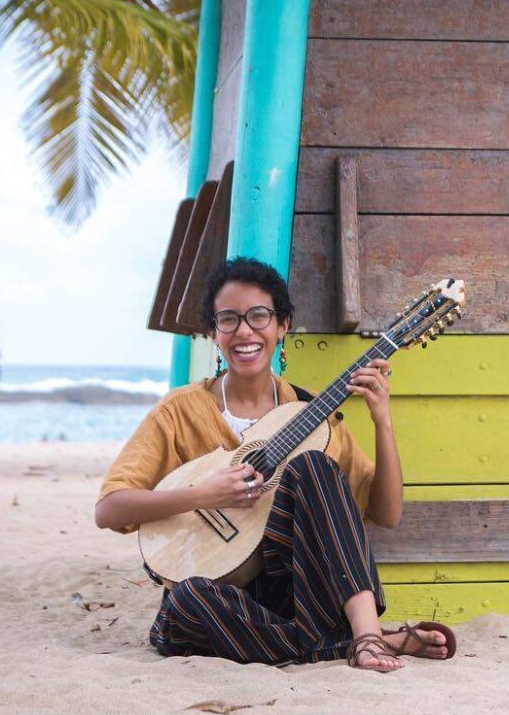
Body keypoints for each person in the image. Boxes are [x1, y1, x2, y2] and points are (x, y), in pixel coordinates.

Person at [94, 257, 455, 672]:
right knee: (185, 604)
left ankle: (366, 636)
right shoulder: (179, 411)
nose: (244, 331)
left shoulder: (313, 413)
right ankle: (358, 642)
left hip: (299, 594)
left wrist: (382, 420)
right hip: (224, 598)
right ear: (213, 333)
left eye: (259, 316)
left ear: (282, 325)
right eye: (228, 319)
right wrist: (203, 494)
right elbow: (109, 509)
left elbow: (386, 513)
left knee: (313, 468)